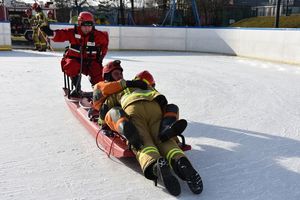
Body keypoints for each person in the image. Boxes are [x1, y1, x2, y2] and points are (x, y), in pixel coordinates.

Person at [92, 60, 203, 196]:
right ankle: (180, 160)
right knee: (165, 140)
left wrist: (101, 121)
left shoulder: (117, 91)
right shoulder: (144, 86)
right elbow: (162, 99)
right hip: (155, 108)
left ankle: (156, 165)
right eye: (117, 73)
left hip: (133, 111)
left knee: (143, 144)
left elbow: (104, 110)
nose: (120, 75)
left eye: (120, 73)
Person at [41, 11, 109, 97]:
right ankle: (77, 89)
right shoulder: (73, 32)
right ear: (80, 23)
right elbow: (61, 34)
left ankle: (98, 91)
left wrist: (101, 57)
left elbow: (105, 45)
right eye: (85, 25)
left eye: (90, 25)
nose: (87, 28)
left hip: (91, 61)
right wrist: (51, 33)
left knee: (98, 72)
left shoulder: (99, 35)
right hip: (75, 60)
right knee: (70, 65)